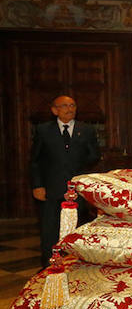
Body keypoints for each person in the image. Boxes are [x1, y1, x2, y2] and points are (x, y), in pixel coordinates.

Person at [30, 95, 100, 267]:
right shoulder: (43, 130)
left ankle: (77, 267)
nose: (70, 109)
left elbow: (94, 156)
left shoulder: (86, 130)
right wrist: (37, 185)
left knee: (78, 230)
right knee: (50, 231)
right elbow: (35, 161)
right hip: (51, 190)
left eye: (72, 105)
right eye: (64, 106)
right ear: (55, 110)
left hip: (77, 191)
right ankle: (49, 269)